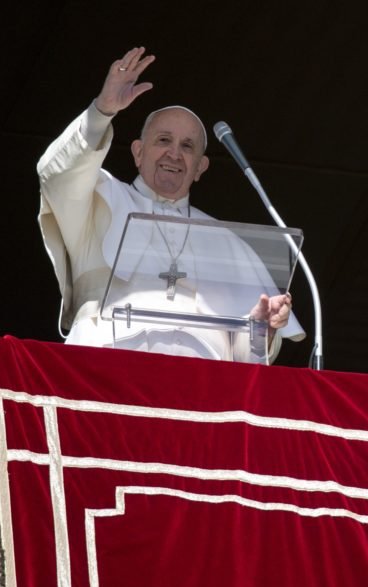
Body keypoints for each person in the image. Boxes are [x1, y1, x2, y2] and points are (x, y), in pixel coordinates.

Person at [37, 47, 304, 363]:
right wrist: (102, 111)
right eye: (163, 140)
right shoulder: (99, 198)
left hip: (203, 388)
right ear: (138, 152)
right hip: (110, 368)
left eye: (187, 146)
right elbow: (57, 175)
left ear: (200, 167)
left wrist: (262, 329)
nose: (174, 154)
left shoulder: (228, 242)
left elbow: (245, 357)